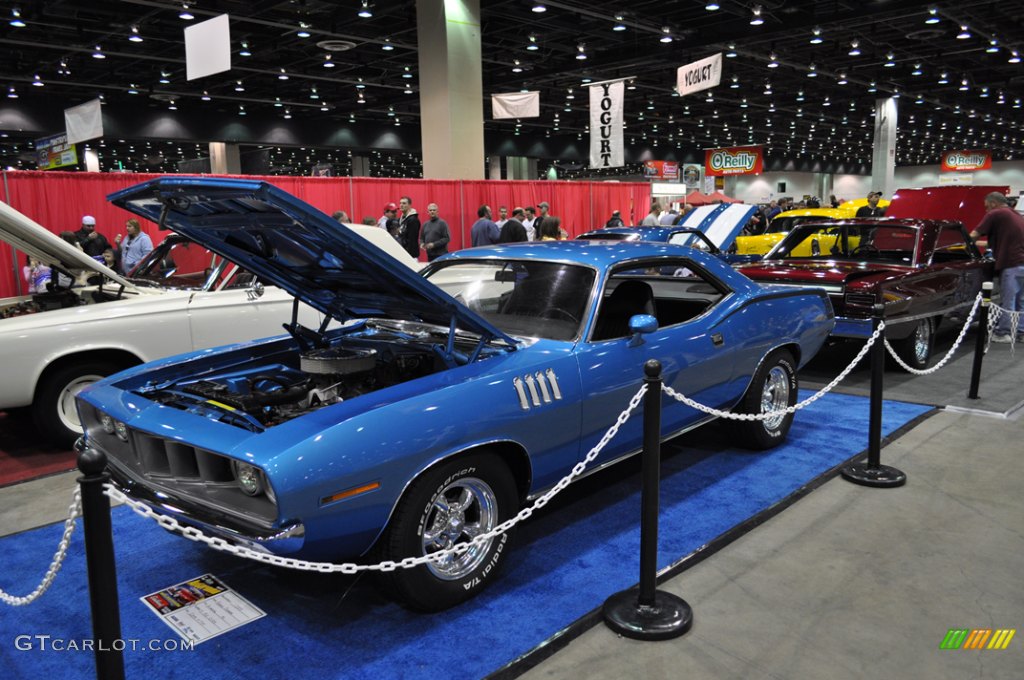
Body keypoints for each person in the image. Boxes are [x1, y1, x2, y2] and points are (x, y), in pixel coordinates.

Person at [970, 192, 1024, 343]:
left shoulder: (995, 213)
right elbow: (1005, 240)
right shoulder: (1015, 215)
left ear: (993, 203)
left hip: (1011, 263)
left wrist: (963, 243)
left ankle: (1003, 333)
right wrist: (980, 243)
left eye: (987, 207)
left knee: (1008, 300)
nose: (986, 210)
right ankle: (1021, 332)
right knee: (1021, 300)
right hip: (1022, 262)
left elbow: (974, 234)